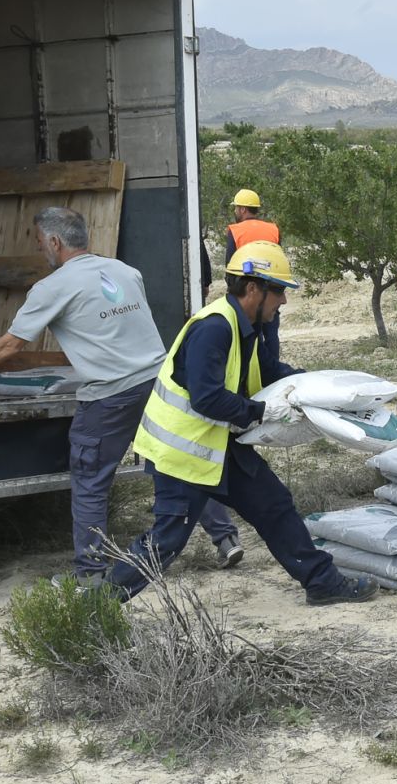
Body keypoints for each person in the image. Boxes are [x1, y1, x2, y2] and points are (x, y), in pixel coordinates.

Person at [0, 208, 246, 577]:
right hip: (158, 383)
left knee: (90, 480)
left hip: (110, 396)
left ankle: (90, 572)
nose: (41, 250)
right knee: (175, 462)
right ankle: (226, 538)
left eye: (40, 243)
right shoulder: (125, 272)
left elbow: (10, 346)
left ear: (55, 242)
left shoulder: (52, 287)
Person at [107, 241, 376, 605]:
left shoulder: (246, 326)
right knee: (166, 540)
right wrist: (261, 413)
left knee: (274, 505)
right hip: (182, 455)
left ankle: (323, 583)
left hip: (219, 446)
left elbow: (268, 371)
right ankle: (97, 604)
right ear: (254, 289)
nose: (283, 301)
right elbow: (207, 398)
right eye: (278, 291)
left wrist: (319, 389)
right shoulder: (215, 328)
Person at [224, 189, 279, 260]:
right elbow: (279, 259)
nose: (235, 211)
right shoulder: (274, 229)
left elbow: (230, 264)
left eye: (236, 207)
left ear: (243, 209)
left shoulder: (234, 231)